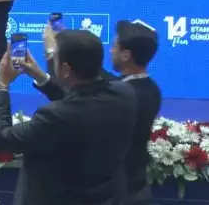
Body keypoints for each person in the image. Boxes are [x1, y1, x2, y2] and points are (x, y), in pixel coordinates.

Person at [0, 30, 137, 205]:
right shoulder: (124, 94)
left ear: (65, 69)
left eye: (55, 56)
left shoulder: (54, 117)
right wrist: (41, 77)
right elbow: (83, 102)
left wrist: (1, 86)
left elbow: (2, 138)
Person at [21, 20, 162, 205]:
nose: (111, 50)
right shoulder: (147, 89)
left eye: (114, 46)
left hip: (121, 193)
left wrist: (53, 53)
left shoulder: (124, 93)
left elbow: (79, 108)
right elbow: (81, 102)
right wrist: (43, 74)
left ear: (126, 54)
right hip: (132, 188)